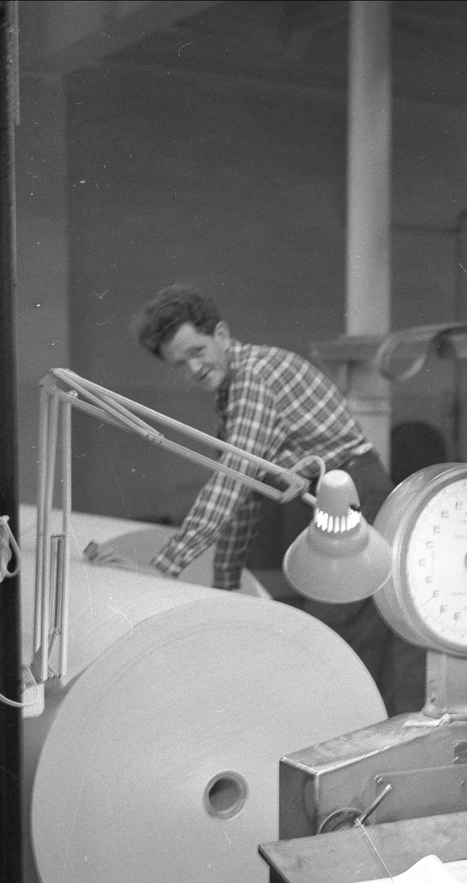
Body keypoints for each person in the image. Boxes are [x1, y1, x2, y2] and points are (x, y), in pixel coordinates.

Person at [130, 283, 423, 715]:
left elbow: (229, 481)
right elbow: (244, 497)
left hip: (358, 496)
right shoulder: (231, 392)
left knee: (340, 642)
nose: (192, 368)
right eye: (179, 364)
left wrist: (164, 568)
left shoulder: (254, 377)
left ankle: (361, 745)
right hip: (333, 499)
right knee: (349, 645)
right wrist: (225, 586)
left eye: (197, 351)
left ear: (223, 336)